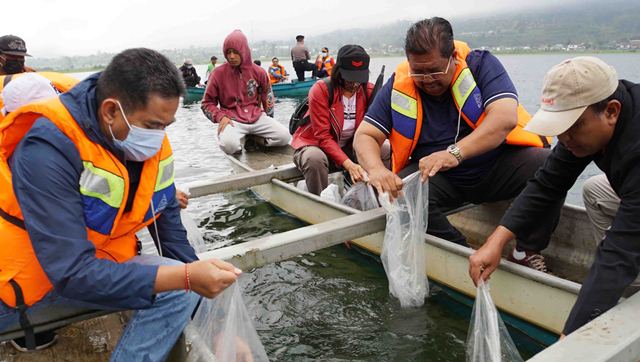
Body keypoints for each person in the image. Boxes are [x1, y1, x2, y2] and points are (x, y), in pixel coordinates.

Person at [0, 48, 241, 359]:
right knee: (178, 280)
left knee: (179, 286)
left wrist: (218, 326)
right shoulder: (46, 149)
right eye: (154, 125)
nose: (159, 137)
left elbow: (173, 240)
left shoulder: (146, 138)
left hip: (99, 267)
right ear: (111, 111)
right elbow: (71, 272)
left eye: (166, 125)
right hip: (27, 290)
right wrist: (185, 277)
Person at [469, 56, 640, 336]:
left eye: (573, 127)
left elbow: (620, 249)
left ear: (611, 111)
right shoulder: (590, 126)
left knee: (622, 254)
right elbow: (546, 184)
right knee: (595, 190)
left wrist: (571, 337)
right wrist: (496, 241)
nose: (565, 138)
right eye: (561, 128)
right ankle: (627, 288)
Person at [354, 17, 554, 254]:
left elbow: (504, 118)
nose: (427, 79)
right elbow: (365, 134)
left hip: (494, 168)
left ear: (453, 59)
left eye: (435, 70)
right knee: (401, 195)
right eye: (418, 72)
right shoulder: (399, 84)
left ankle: (527, 251)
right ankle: (460, 250)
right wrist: (376, 169)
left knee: (548, 165)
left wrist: (454, 153)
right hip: (441, 179)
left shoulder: (481, 64)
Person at [291, 45, 389, 195]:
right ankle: (320, 201)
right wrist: (349, 165)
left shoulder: (369, 91)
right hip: (315, 145)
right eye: (349, 78)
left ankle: (380, 194)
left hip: (349, 146)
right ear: (338, 72)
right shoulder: (321, 90)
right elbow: (322, 136)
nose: (354, 84)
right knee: (314, 159)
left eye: (359, 79)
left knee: (385, 149)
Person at [202, 30, 289, 154]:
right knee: (229, 146)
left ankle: (256, 140)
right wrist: (220, 117)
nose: (231, 56)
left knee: (284, 136)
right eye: (228, 52)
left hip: (257, 117)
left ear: (244, 51)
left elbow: (267, 97)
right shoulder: (217, 74)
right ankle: (238, 149)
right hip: (231, 119)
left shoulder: (259, 72)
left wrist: (270, 119)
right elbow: (206, 103)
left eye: (236, 52)